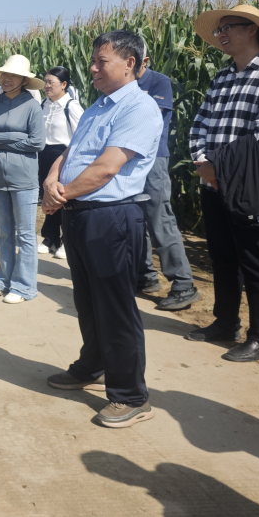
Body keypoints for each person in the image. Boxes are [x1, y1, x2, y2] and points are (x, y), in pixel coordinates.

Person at [43, 30, 162, 428]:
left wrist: (59, 197)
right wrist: (53, 179)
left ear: (129, 64)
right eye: (93, 61)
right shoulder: (99, 105)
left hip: (111, 217)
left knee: (115, 307)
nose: (92, 68)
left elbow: (107, 168)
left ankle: (130, 396)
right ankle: (92, 365)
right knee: (88, 300)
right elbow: (71, 151)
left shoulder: (138, 108)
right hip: (81, 213)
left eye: (101, 62)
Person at [186, 4, 259, 362]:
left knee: (256, 261)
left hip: (249, 183)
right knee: (222, 257)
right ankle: (225, 323)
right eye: (219, 30)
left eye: (227, 27)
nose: (220, 35)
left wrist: (218, 169)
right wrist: (202, 162)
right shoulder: (222, 77)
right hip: (211, 181)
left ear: (251, 29)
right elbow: (199, 125)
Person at [133, 40, 200, 310]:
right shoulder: (120, 83)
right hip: (125, 159)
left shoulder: (158, 82)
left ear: (144, 61)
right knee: (135, 218)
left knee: (159, 218)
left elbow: (148, 117)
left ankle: (183, 284)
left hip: (152, 158)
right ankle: (145, 276)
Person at [0, 55, 46, 303]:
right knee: (4, 232)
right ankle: (3, 279)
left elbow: (37, 143)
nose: (7, 79)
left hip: (24, 179)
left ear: (24, 80)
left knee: (25, 234)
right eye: (4, 74)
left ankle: (24, 286)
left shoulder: (32, 106)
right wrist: (15, 137)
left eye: (14, 75)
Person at [38, 67, 83, 260]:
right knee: (48, 196)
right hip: (44, 154)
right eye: (46, 82)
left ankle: (67, 241)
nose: (47, 86)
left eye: (51, 82)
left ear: (64, 85)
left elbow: (81, 136)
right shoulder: (43, 104)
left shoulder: (71, 106)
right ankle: (50, 238)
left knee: (63, 199)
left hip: (63, 156)